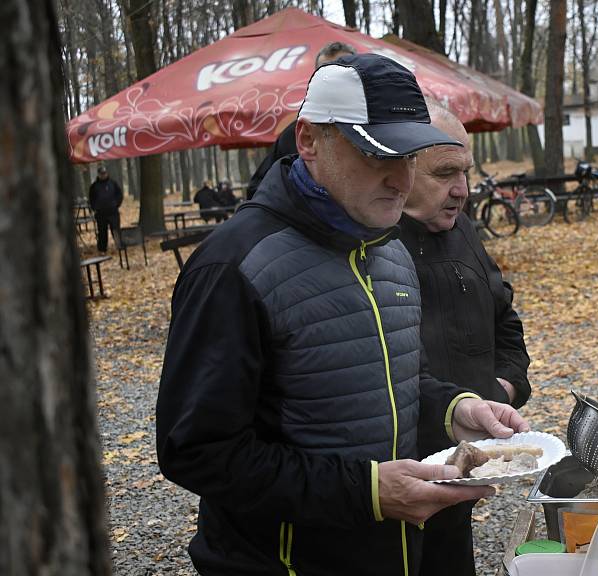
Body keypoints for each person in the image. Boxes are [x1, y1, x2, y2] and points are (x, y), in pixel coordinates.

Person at [156, 53, 530, 576]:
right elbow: (196, 452)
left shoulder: (390, 249)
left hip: (396, 555)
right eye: (379, 156)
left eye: (409, 157)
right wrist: (369, 492)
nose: (400, 180)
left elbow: (390, 381)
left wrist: (455, 408)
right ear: (310, 141)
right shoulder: (233, 266)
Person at [399, 104, 532, 576]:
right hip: (399, 479)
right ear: (401, 167)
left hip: (466, 464)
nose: (462, 190)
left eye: (466, 172)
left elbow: (506, 323)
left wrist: (502, 391)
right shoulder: (376, 245)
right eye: (445, 174)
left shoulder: (463, 230)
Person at [245, 41, 357, 199]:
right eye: (325, 74)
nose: (333, 83)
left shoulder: (383, 127)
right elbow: (257, 189)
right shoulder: (297, 133)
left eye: (341, 74)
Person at [88, 165, 123, 253]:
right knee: (102, 232)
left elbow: (119, 194)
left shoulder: (113, 183)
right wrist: (94, 208)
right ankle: (102, 249)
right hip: (101, 214)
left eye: (104, 173)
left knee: (116, 230)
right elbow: (91, 198)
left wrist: (116, 204)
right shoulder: (94, 186)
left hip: (113, 212)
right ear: (98, 174)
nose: (103, 175)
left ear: (107, 173)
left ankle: (119, 246)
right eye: (101, 174)